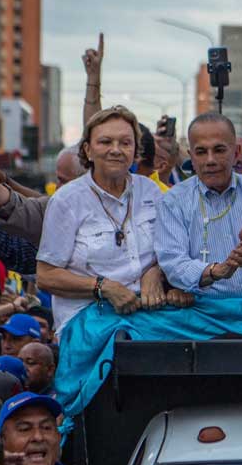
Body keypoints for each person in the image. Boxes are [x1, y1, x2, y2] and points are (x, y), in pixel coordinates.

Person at [37, 106, 184, 331]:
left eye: (125, 143)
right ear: (88, 150)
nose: (116, 150)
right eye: (105, 142)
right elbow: (46, 277)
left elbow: (173, 249)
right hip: (88, 318)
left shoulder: (151, 192)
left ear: (136, 152)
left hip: (148, 313)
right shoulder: (66, 201)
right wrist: (104, 287)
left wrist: (156, 271)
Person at [155, 113, 242, 297]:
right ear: (191, 157)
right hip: (201, 314)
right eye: (201, 152)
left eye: (219, 150)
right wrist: (215, 271)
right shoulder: (173, 201)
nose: (210, 160)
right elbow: (174, 264)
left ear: (236, 152)